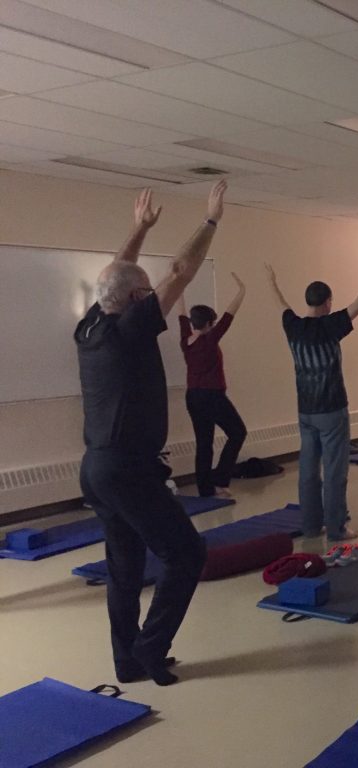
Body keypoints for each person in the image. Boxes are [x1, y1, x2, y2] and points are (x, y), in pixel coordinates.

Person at [76, 183, 227, 686]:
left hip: (96, 469)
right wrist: (209, 222)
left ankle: (127, 659)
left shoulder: (92, 327)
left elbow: (113, 278)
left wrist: (139, 230)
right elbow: (180, 273)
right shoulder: (131, 328)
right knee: (186, 553)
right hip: (127, 469)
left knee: (124, 567)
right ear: (138, 300)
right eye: (145, 294)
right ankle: (149, 648)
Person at [265, 255, 358, 542]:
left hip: (305, 412)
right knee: (335, 472)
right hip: (332, 410)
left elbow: (281, 305)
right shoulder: (330, 325)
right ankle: (338, 529)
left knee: (307, 471)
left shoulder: (293, 326)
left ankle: (312, 526)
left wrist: (272, 284)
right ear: (327, 301)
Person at [176, 273, 247, 498]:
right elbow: (229, 315)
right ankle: (219, 481)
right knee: (238, 432)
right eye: (212, 323)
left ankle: (206, 490)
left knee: (204, 443)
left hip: (193, 397)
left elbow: (181, 314)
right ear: (208, 324)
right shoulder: (209, 339)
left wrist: (180, 284)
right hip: (212, 396)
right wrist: (241, 291)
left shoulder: (185, 340)